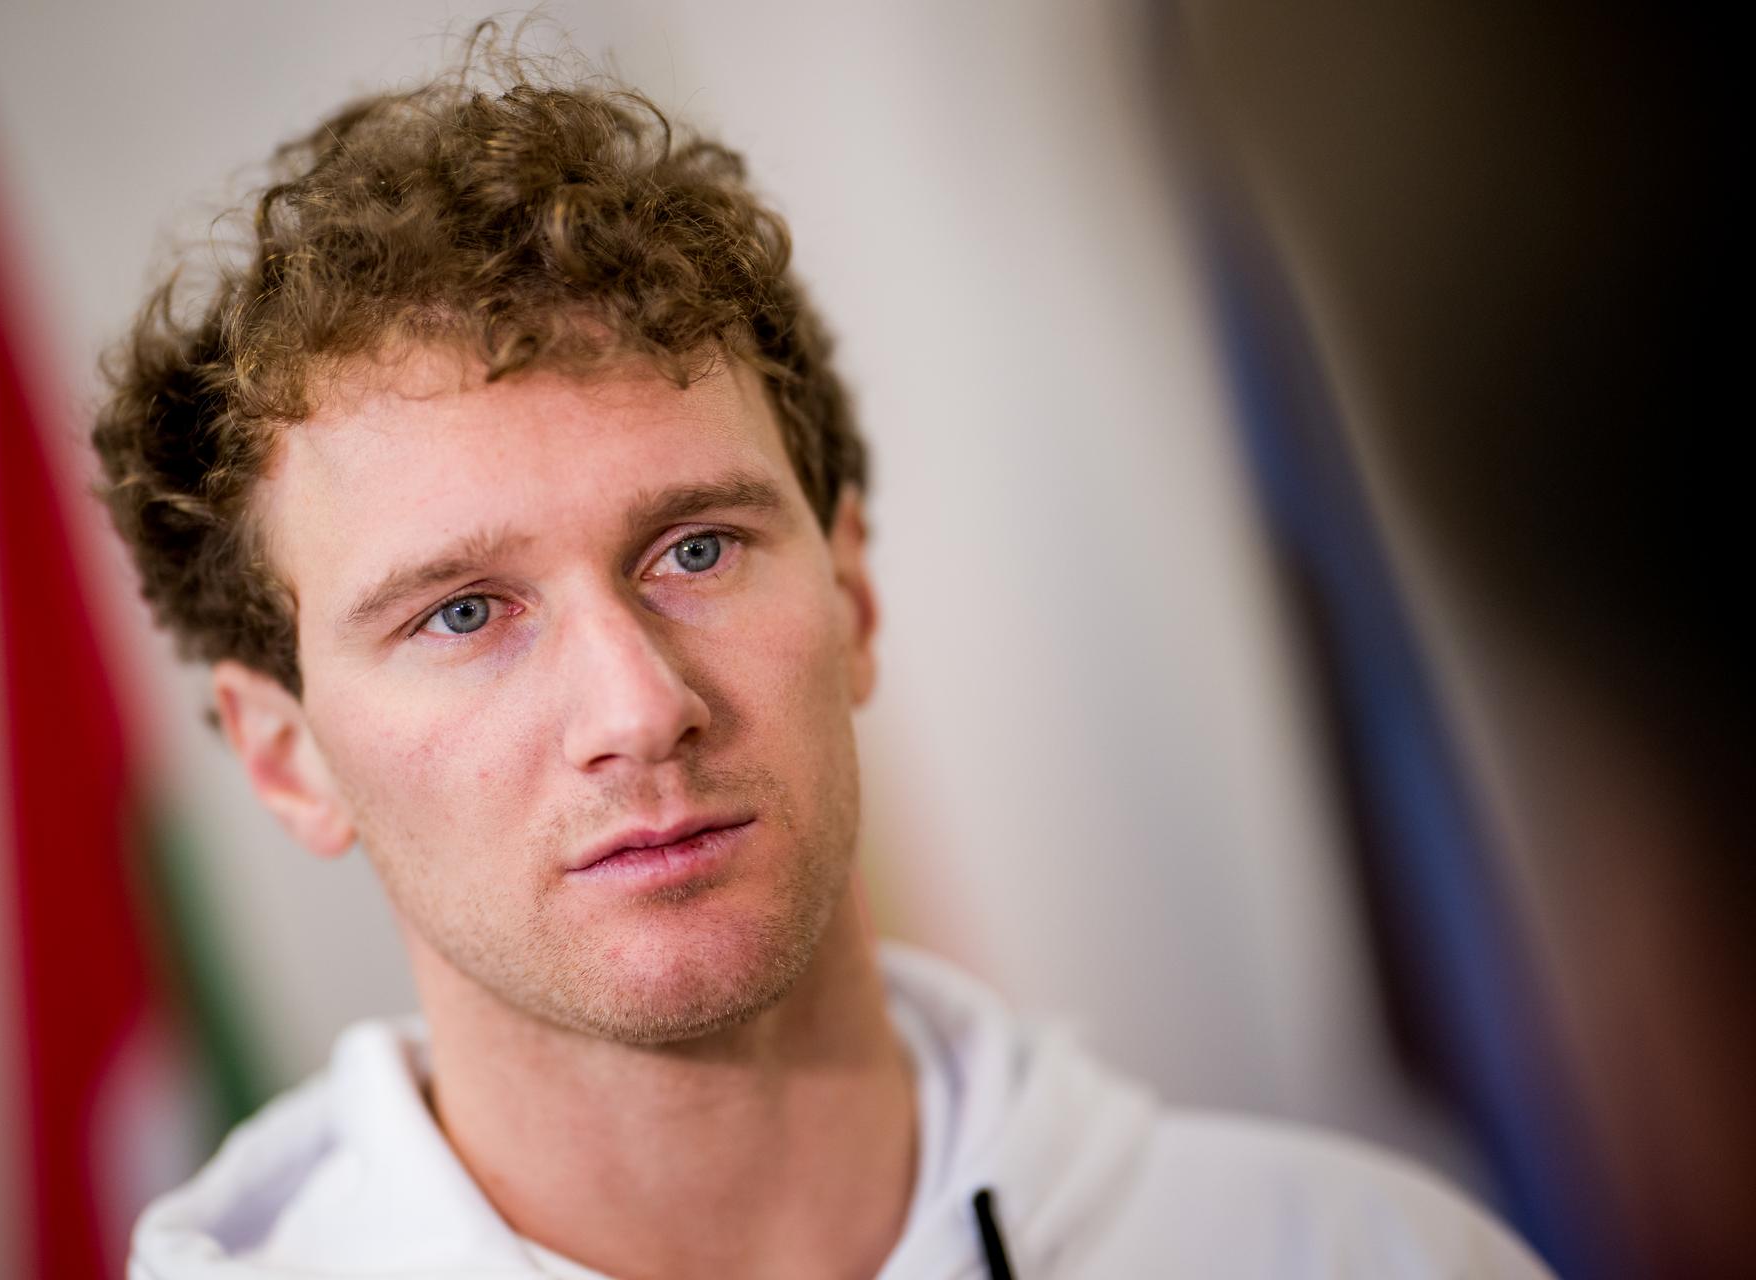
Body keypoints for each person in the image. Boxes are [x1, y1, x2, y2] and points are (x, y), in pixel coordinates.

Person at [95, 32, 1553, 1280]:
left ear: (852, 594)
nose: (640, 708)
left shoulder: (1360, 1253)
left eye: (696, 550)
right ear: (289, 759)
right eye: (463, 613)